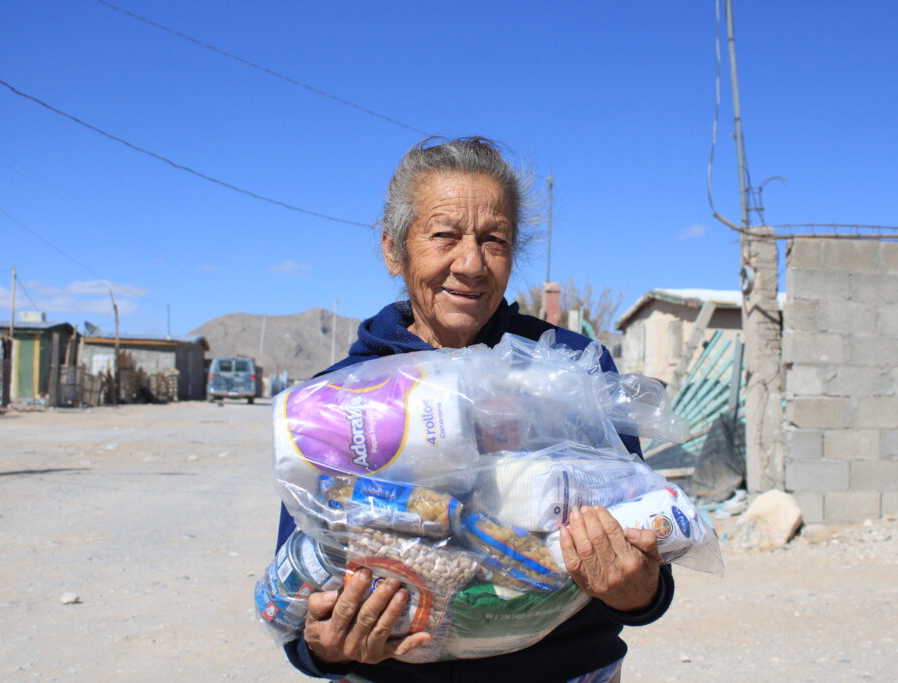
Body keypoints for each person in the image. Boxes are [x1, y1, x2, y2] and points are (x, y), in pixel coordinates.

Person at [274, 137, 675, 682]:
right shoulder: (337, 402)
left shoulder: (571, 370)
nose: (471, 264)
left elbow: (642, 550)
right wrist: (325, 645)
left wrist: (638, 590)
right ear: (394, 249)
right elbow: (298, 596)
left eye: (495, 240)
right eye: (444, 236)